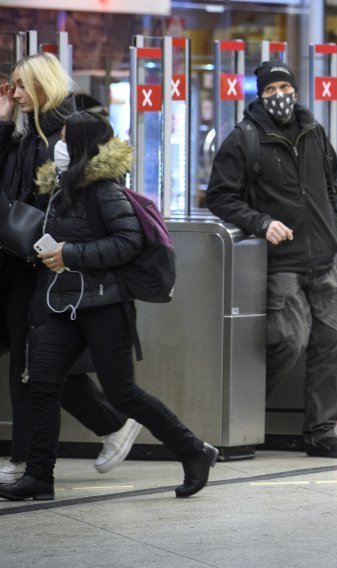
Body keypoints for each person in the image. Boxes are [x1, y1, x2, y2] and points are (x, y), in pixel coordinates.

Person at [0, 112, 217, 501]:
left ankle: (193, 451)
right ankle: (38, 477)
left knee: (123, 393)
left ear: (81, 144)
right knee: (42, 384)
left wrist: (72, 254)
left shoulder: (105, 190)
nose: (58, 147)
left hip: (104, 304)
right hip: (62, 304)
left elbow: (127, 242)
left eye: (65, 139)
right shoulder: (60, 187)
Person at [0, 53, 141, 485]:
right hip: (27, 262)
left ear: (43, 86)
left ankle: (30, 460)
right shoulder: (29, 134)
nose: (17, 94)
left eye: (22, 87)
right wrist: (5, 121)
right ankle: (105, 428)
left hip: (53, 265)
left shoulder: (68, 133)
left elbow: (77, 202)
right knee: (40, 363)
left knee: (35, 362)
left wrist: (62, 249)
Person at [205, 61, 337, 459]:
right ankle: (242, 418)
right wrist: (261, 222)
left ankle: (321, 432)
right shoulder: (245, 138)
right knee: (289, 339)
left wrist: (333, 227)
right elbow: (220, 195)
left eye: (284, 87)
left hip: (322, 260)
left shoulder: (315, 133)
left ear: (295, 89)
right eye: (270, 90)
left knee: (333, 342)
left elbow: (331, 184)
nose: (278, 96)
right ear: (259, 95)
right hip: (282, 261)